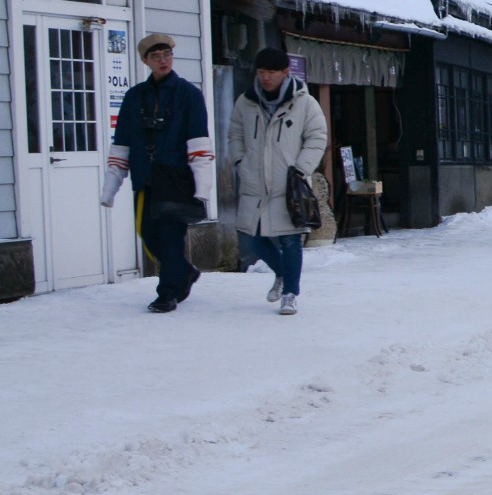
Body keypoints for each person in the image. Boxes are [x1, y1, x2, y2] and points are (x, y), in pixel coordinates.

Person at [102, 34, 215, 312]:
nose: (163, 60)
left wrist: (202, 187)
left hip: (176, 177)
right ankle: (184, 272)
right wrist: (110, 187)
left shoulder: (189, 94)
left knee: (170, 235)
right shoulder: (134, 96)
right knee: (146, 232)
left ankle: (168, 293)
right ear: (145, 61)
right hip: (145, 176)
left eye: (167, 54)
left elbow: (199, 140)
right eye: (156, 56)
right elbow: (122, 141)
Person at [227, 47, 330, 315]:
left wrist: (301, 168)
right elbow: (235, 133)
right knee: (251, 236)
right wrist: (240, 162)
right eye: (261, 72)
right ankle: (283, 273)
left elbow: (318, 137)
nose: (265, 78)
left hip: (289, 182)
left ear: (285, 72)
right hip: (254, 180)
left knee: (289, 239)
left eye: (271, 72)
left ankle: (290, 293)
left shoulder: (304, 103)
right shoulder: (246, 101)